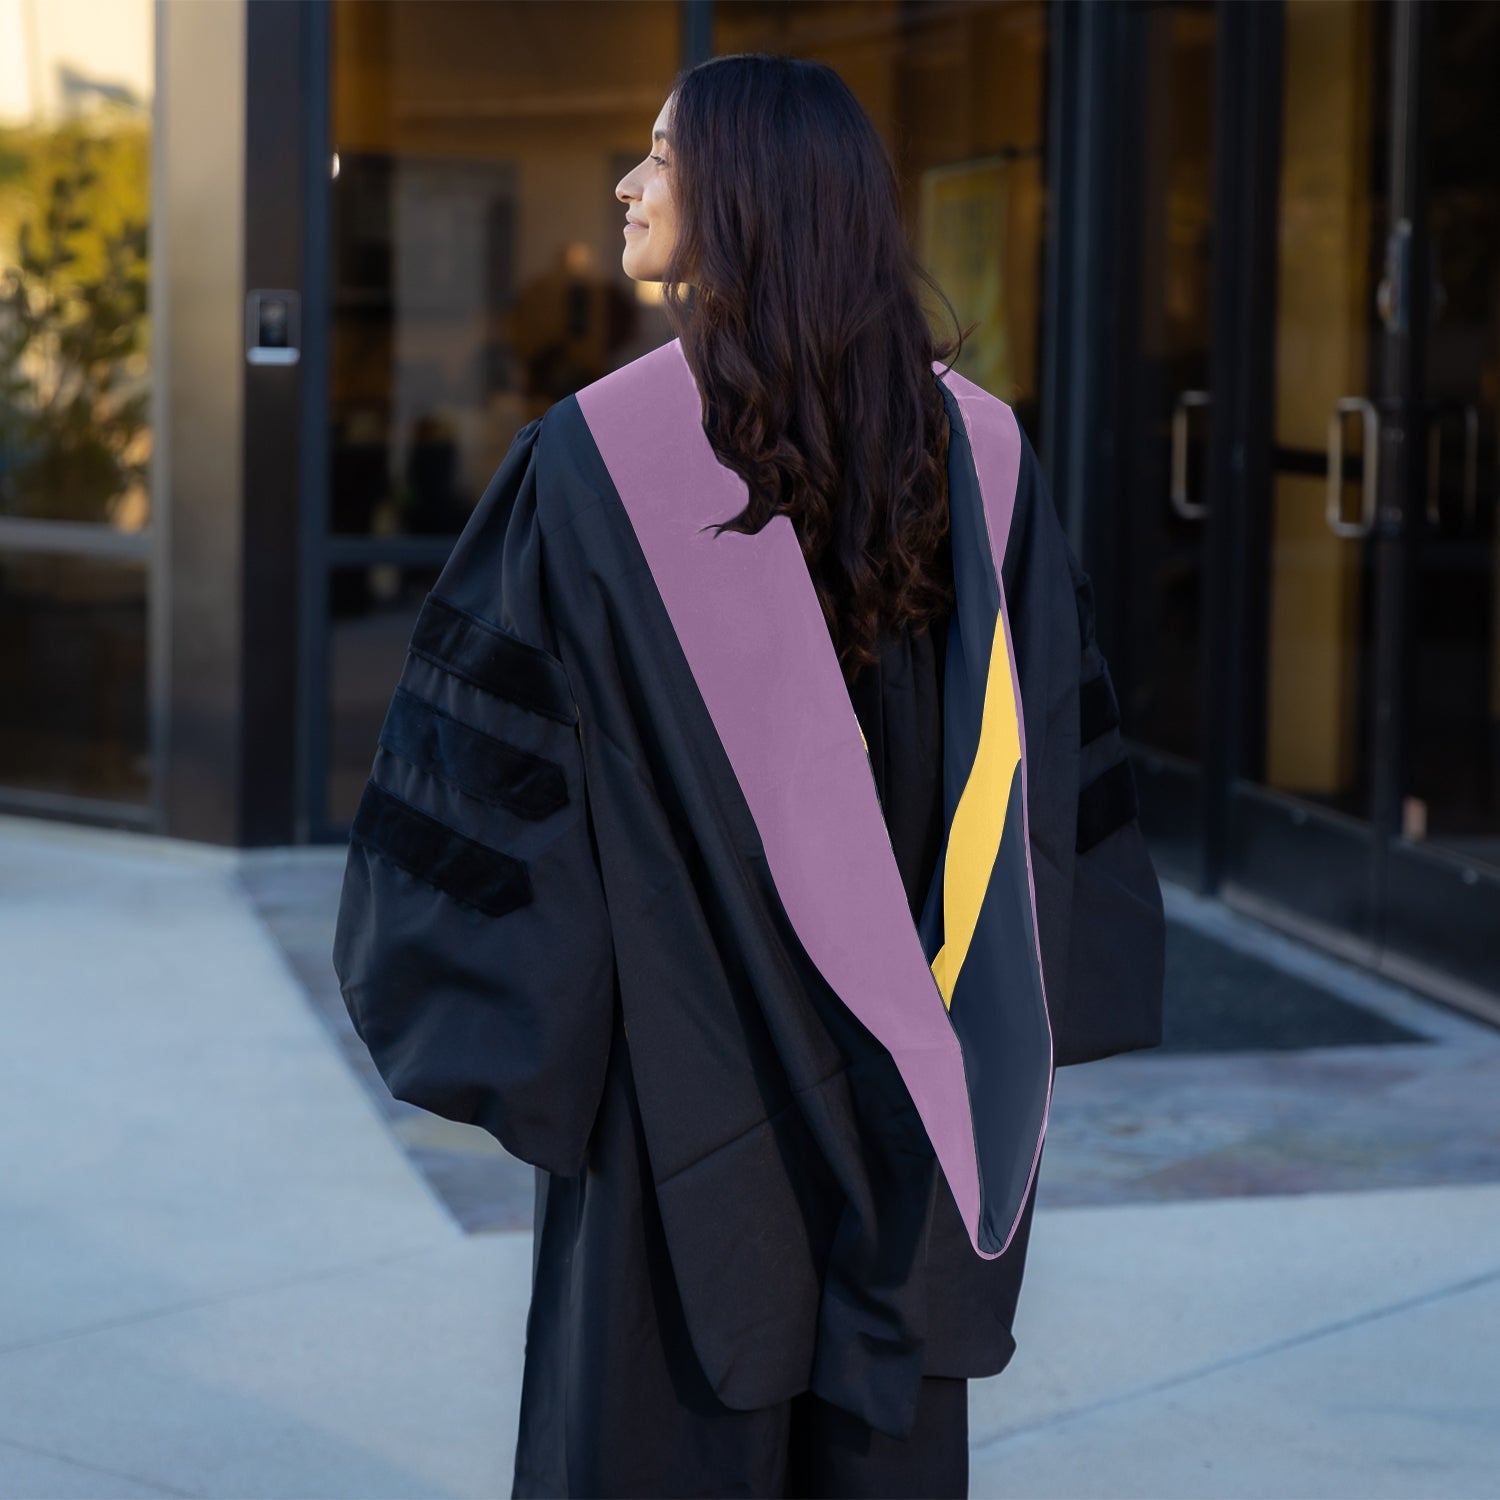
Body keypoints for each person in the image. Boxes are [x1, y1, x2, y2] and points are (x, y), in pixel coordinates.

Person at [331, 53, 1165, 1500]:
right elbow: (1038, 820)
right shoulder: (972, 460)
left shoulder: (593, 470)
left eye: (660, 157)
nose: (627, 186)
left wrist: (542, 1042)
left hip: (678, 1114)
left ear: (746, 200)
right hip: (917, 1088)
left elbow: (503, 820)